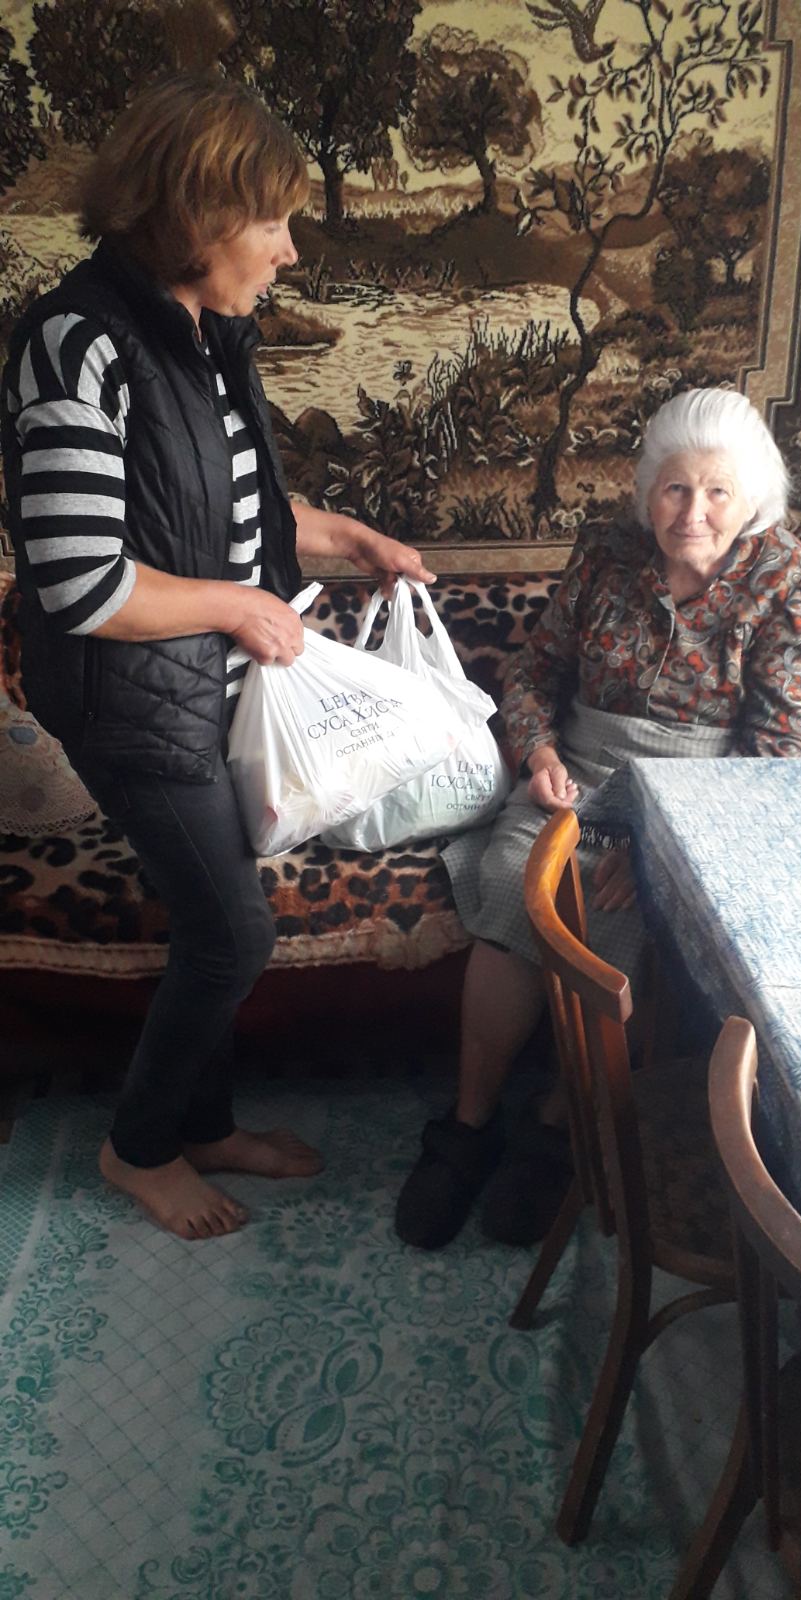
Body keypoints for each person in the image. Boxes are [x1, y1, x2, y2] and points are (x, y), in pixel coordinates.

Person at [1, 74, 436, 1241]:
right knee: (235, 931)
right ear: (195, 214)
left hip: (194, 685)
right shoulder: (75, 345)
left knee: (214, 921)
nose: (289, 250)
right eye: (272, 220)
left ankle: (206, 1125)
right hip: (126, 695)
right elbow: (82, 582)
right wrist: (241, 608)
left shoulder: (196, 334)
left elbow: (232, 515)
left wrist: (352, 541)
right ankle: (139, 1147)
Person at [395, 387, 801, 1252]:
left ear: (751, 498)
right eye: (675, 488)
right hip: (581, 772)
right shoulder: (606, 551)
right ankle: (469, 1125)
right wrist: (538, 753)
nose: (693, 512)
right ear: (647, 491)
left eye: (717, 492)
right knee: (516, 886)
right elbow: (534, 672)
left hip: (698, 798)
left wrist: (667, 852)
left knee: (620, 919)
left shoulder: (792, 584)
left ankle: (559, 1126)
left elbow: (779, 754)